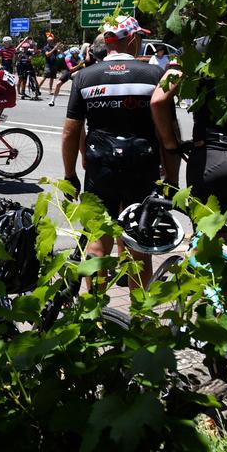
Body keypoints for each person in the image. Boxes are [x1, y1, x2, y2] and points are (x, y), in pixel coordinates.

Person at [62, 16, 173, 289]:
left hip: (101, 167)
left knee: (97, 242)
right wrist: (171, 177)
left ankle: (94, 317)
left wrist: (70, 174)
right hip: (142, 167)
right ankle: (138, 316)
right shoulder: (154, 75)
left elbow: (71, 131)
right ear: (133, 39)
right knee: (138, 247)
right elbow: (166, 130)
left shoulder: (84, 77)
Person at [151, 38, 227, 237]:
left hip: (211, 156)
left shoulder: (195, 47)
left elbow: (158, 100)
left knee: (210, 247)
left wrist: (171, 144)